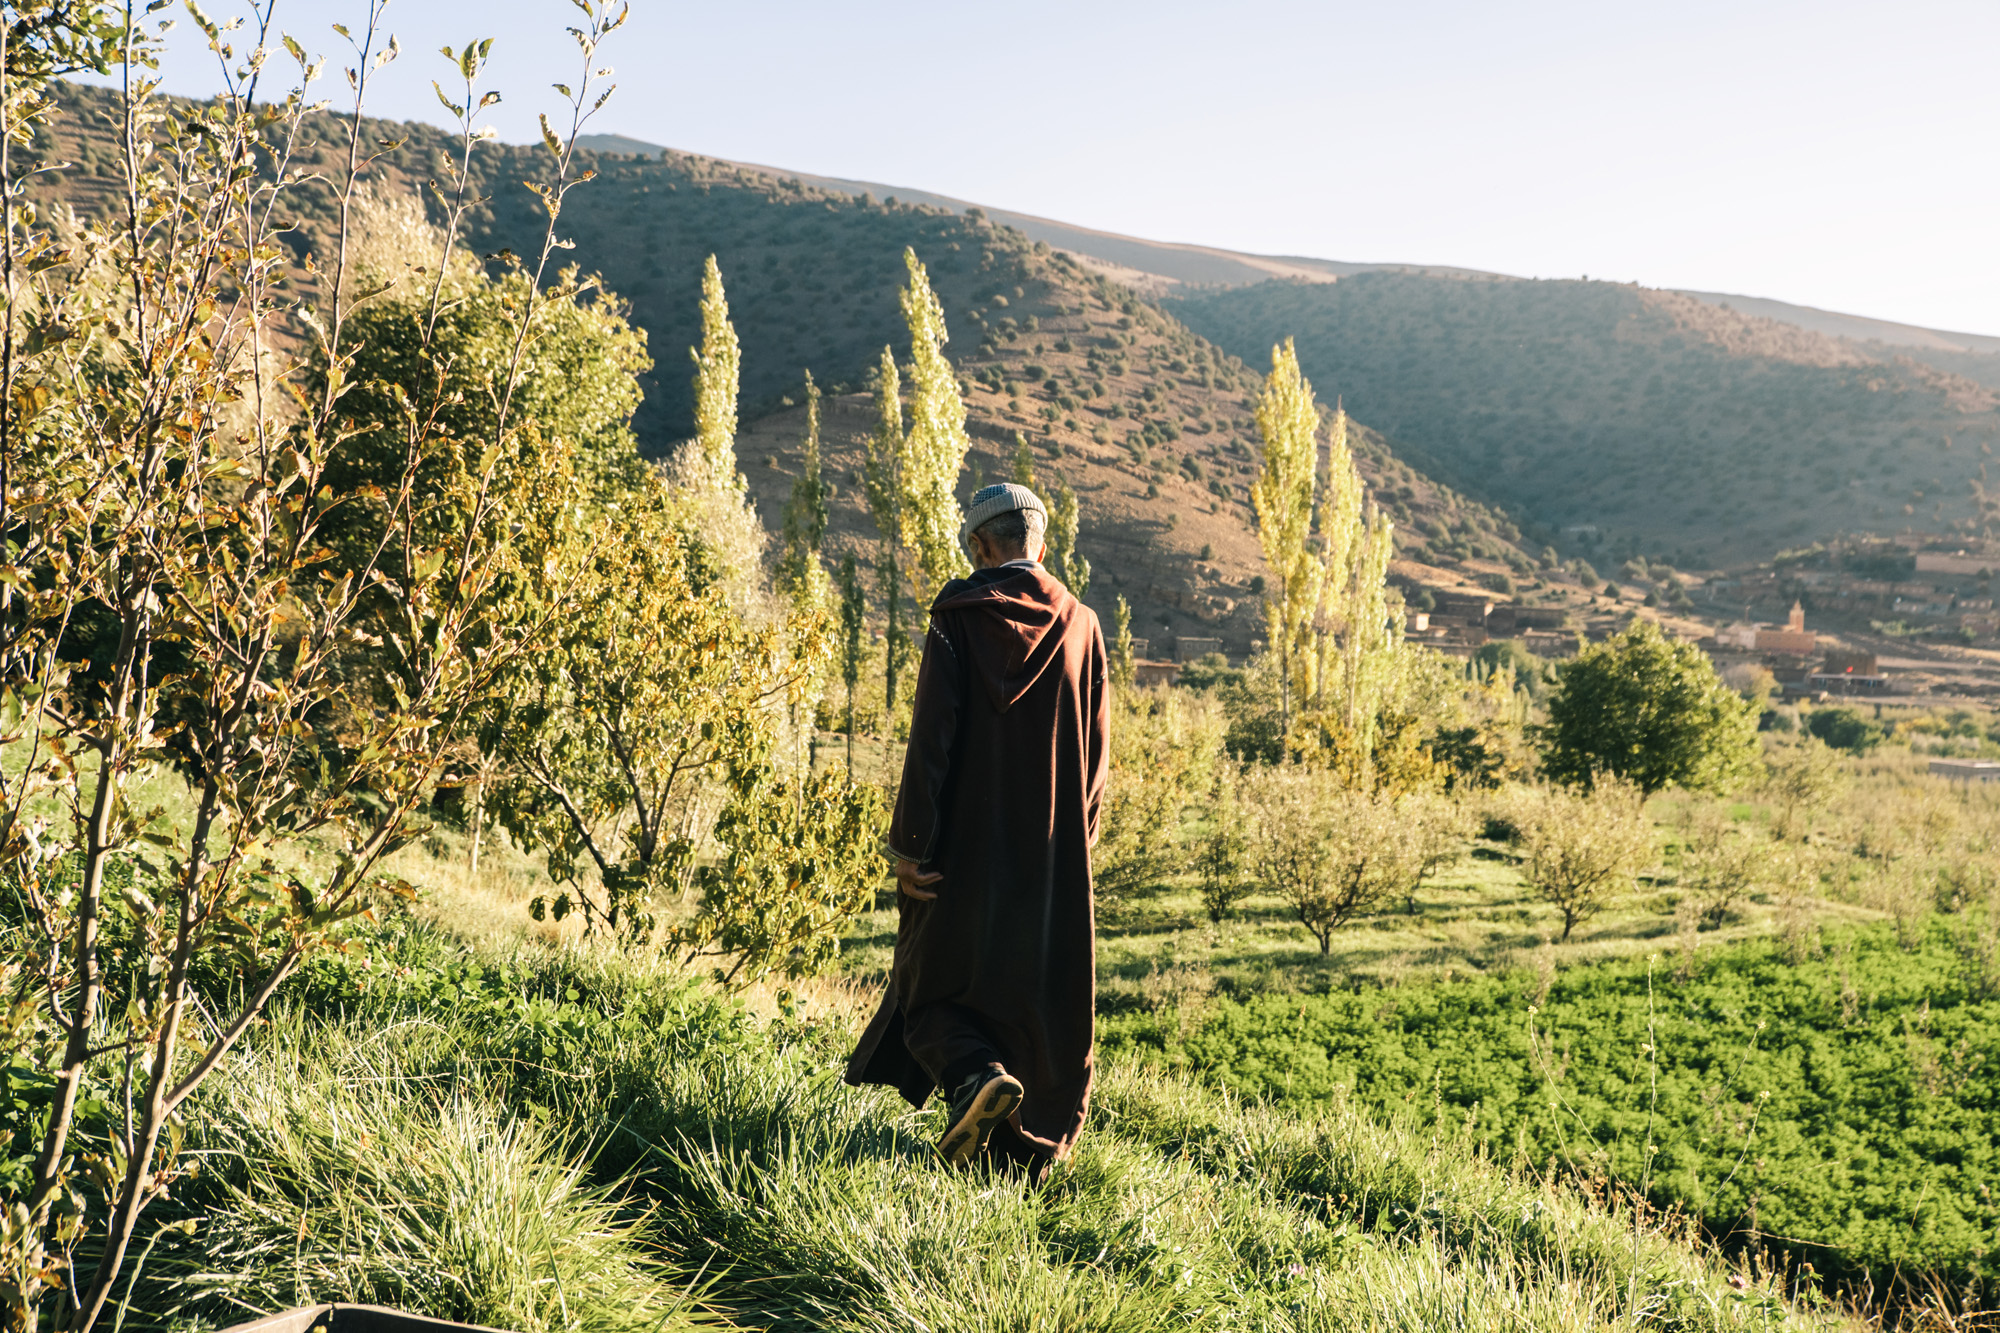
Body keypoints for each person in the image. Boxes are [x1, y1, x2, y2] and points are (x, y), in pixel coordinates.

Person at [844, 482, 1109, 1174]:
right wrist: (1072, 852)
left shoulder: (957, 618)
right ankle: (1014, 1151)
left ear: (983, 546)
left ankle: (972, 1077)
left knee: (928, 988)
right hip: (1052, 859)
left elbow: (930, 740)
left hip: (963, 856)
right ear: (1040, 545)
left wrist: (910, 851)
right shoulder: (1083, 626)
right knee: (1030, 1001)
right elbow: (1095, 764)